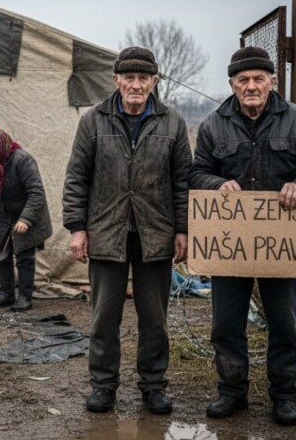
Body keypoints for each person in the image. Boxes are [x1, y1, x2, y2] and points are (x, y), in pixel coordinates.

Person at [189, 46, 296, 426]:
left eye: (258, 79)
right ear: (232, 85)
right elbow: (196, 173)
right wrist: (217, 184)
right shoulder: (213, 125)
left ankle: (285, 396)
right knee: (225, 325)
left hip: (280, 244)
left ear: (272, 81)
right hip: (230, 244)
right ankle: (231, 392)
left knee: (285, 325)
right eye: (243, 80)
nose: (251, 86)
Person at [62, 46, 192, 414]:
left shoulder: (172, 123)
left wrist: (182, 229)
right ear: (116, 80)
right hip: (106, 232)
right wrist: (77, 227)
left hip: (155, 235)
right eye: (129, 77)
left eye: (143, 78)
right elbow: (76, 178)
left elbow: (183, 180)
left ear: (154, 81)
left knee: (154, 317)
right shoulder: (93, 121)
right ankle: (103, 385)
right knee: (105, 316)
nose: (136, 85)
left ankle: (153, 386)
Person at [0, 128, 52, 312]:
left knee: (25, 256)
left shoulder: (22, 159)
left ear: (1, 146)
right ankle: (6, 294)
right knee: (0, 254)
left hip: (27, 212)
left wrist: (26, 219)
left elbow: (36, 192)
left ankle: (25, 297)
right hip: (3, 214)